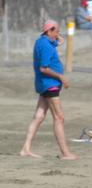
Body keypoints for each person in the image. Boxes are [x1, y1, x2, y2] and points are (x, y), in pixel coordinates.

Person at [20, 20, 77, 160]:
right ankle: (65, 153)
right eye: (56, 31)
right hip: (49, 84)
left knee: (39, 116)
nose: (58, 34)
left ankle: (25, 149)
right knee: (59, 117)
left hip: (44, 84)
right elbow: (43, 68)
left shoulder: (42, 42)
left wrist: (58, 39)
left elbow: (53, 45)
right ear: (50, 30)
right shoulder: (46, 45)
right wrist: (61, 77)